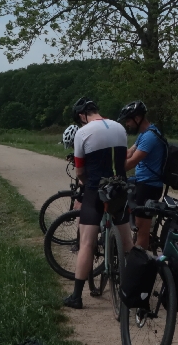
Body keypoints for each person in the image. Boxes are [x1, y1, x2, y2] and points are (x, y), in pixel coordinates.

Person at [63, 97, 129, 310]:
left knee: (87, 243)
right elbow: (123, 162)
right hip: (119, 188)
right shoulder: (120, 127)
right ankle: (133, 290)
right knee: (128, 244)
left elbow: (80, 171)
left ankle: (76, 296)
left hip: (95, 189)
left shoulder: (82, 133)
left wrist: (85, 184)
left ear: (82, 116)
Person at [119, 100, 166, 251]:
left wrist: (112, 169)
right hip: (142, 183)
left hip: (148, 187)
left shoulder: (149, 137)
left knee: (142, 232)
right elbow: (129, 153)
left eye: (128, 120)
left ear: (137, 118)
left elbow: (131, 162)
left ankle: (140, 262)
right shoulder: (144, 134)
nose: (127, 124)